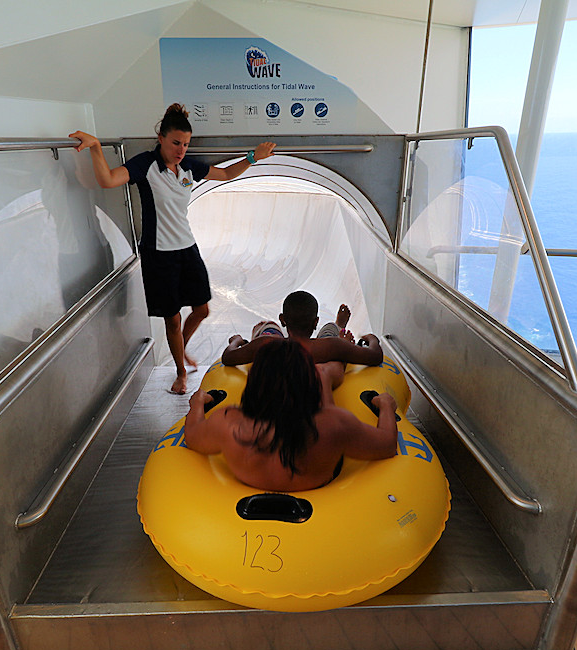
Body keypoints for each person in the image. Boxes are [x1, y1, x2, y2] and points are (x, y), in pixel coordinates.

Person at [71, 104, 277, 394]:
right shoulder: (145, 165)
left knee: (202, 309)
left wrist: (254, 157)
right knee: (173, 319)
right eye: (176, 143)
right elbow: (107, 180)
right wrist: (94, 147)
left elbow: (227, 174)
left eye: (186, 144)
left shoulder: (188, 166)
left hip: (187, 248)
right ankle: (181, 372)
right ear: (161, 138)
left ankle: (181, 347)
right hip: (158, 254)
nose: (181, 149)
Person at [184, 338, 398, 492]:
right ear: (307, 381)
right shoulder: (335, 423)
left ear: (253, 383)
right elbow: (387, 444)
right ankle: (325, 370)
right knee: (324, 377)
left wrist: (198, 404)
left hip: (251, 483)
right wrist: (386, 405)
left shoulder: (228, 422)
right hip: (318, 481)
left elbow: (192, 436)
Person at [221, 291, 383, 368]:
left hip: (273, 344)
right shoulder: (332, 346)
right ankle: (337, 326)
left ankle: (267, 328)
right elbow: (375, 356)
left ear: (283, 320)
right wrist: (371, 338)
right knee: (329, 330)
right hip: (323, 347)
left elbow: (228, 357)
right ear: (315, 323)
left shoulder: (265, 344)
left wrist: (236, 340)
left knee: (268, 327)